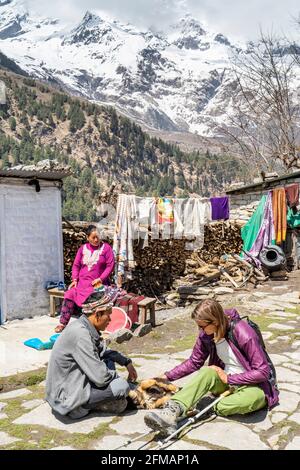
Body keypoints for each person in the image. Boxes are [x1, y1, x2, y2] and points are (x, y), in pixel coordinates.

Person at [144, 299, 279, 435]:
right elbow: (194, 361)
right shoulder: (207, 334)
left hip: (253, 386)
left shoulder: (243, 332)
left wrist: (229, 379)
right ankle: (172, 411)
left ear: (214, 321)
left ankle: (208, 405)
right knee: (207, 371)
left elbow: (263, 371)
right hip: (225, 382)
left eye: (202, 326)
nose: (200, 330)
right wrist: (166, 376)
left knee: (251, 400)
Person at [46, 291, 138, 419]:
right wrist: (116, 377)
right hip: (66, 400)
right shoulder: (81, 334)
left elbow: (103, 350)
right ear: (97, 314)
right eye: (108, 315)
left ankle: (99, 399)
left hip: (70, 386)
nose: (110, 320)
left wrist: (126, 362)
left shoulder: (83, 326)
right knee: (121, 386)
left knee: (108, 360)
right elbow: (101, 378)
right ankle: (83, 407)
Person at [55, 225, 115, 333]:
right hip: (82, 284)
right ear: (87, 238)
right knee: (69, 294)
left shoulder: (106, 248)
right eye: (93, 237)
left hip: (97, 284)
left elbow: (110, 266)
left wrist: (100, 279)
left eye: (98, 237)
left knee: (93, 297)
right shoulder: (82, 249)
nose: (96, 240)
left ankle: (91, 325)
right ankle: (62, 323)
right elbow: (76, 266)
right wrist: (74, 280)